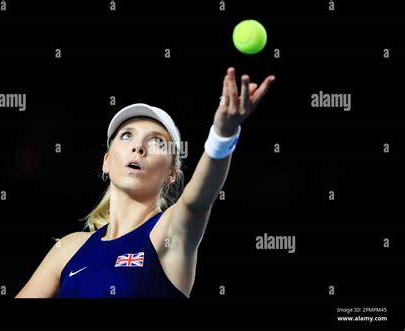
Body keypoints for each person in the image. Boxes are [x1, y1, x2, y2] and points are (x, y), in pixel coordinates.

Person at [15, 67, 275, 298]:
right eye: (127, 136)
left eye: (157, 142)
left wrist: (223, 134)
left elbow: (197, 201)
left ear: (171, 173)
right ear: (106, 162)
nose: (139, 147)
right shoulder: (68, 247)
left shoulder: (168, 232)